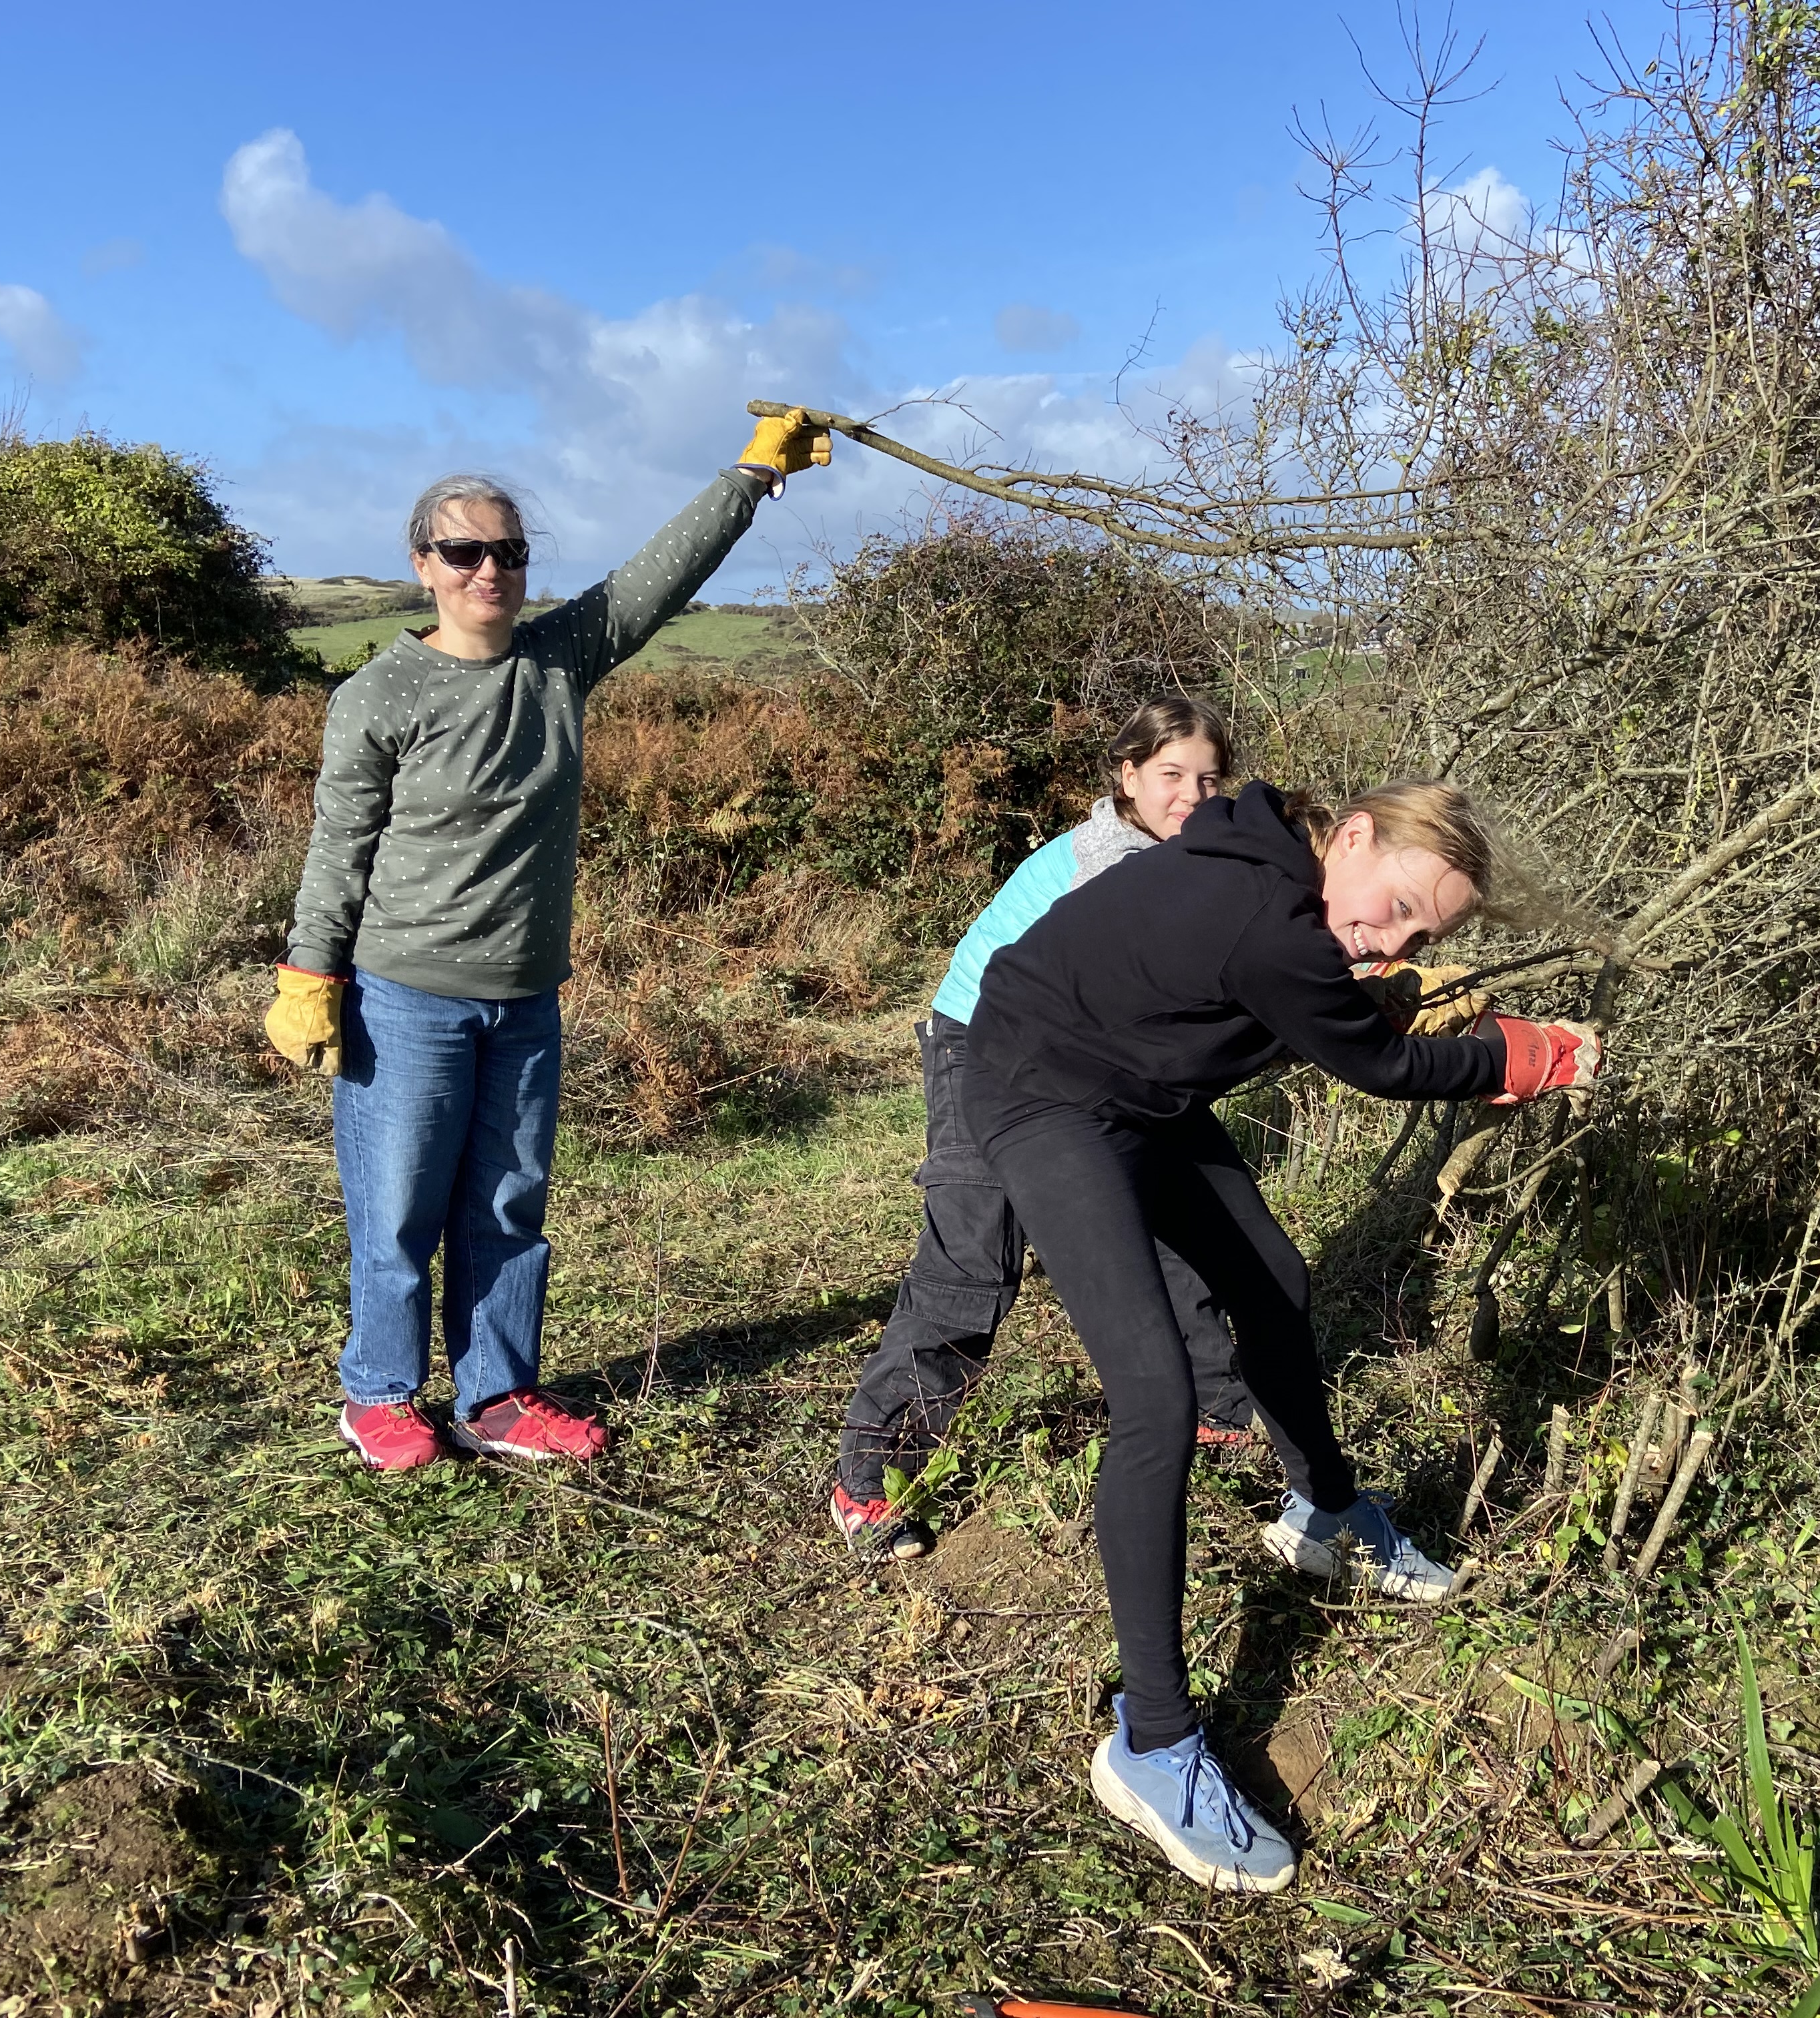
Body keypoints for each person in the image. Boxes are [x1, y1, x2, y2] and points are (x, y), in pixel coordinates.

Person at [964, 778, 1601, 1891]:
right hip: (1043, 1090)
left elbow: (1289, 1016)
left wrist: (1389, 991)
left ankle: (1326, 1511)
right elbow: (1378, 1066)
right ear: (1349, 836)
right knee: (1157, 1403)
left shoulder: (1277, 873)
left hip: (1138, 1090)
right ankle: (1152, 1744)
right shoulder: (1270, 918)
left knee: (1274, 1284)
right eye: (1394, 903)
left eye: (1421, 932)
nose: (1389, 937)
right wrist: (1522, 1055)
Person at [262, 408, 835, 1470]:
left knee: (508, 1205)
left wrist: (749, 478)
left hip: (527, 996)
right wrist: (310, 974)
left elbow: (650, 583)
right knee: (396, 1213)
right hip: (405, 996)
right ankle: (380, 1396)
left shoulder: (558, 662)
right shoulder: (380, 695)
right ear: (424, 564)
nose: (492, 570)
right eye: (467, 551)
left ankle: (496, 1397)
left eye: (510, 553)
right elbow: (339, 848)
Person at [830, 696, 1259, 1563]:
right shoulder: (1106, 867)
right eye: (1171, 774)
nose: (1191, 794)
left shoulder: (1198, 858)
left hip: (1094, 1056)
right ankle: (867, 1478)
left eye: (1210, 779)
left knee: (1174, 1216)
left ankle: (1219, 1416)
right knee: (974, 1258)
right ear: (1128, 775)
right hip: (983, 1044)